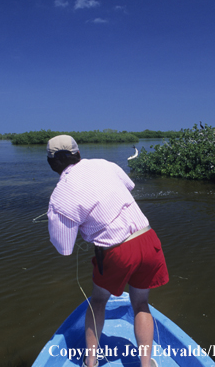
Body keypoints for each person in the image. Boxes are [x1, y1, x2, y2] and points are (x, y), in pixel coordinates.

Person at [46, 135, 169, 367]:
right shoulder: (104, 164)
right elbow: (129, 186)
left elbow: (64, 248)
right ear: (78, 153)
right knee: (141, 304)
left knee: (99, 300)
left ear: (52, 163)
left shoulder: (59, 195)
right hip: (148, 238)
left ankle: (91, 362)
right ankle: (146, 364)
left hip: (117, 251)